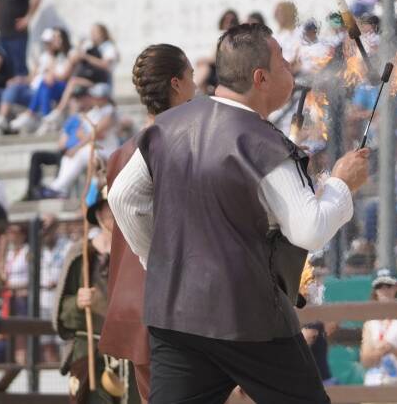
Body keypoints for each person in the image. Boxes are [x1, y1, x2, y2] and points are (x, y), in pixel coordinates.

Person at [109, 23, 370, 403]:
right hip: (248, 318)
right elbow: (310, 229)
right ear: (260, 77)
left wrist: (160, 263)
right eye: (282, 62)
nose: (290, 70)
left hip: (174, 313)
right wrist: (343, 183)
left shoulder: (166, 126)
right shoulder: (261, 141)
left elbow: (123, 198)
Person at [100, 43, 196, 402]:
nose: (196, 84)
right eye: (191, 76)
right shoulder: (181, 146)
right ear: (176, 83)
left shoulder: (119, 154)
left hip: (135, 302)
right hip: (174, 304)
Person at [53, 187, 138, 402]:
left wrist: (106, 306)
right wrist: (79, 303)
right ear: (99, 214)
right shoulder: (80, 254)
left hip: (130, 355)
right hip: (88, 355)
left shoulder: (138, 253)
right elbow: (61, 313)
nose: (115, 214)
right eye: (109, 208)